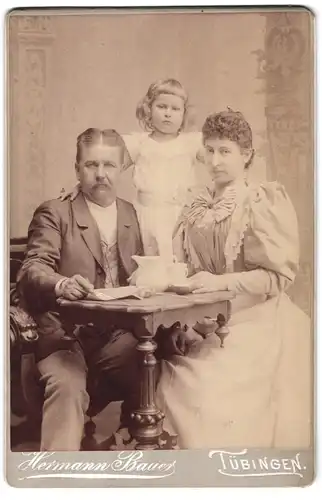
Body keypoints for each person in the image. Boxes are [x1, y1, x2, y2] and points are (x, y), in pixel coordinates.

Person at [155, 109, 312, 449]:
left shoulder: (260, 200)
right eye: (209, 150)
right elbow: (188, 270)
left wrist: (220, 283)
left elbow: (276, 278)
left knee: (209, 391)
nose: (215, 160)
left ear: (247, 155)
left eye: (225, 151)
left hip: (255, 320)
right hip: (203, 320)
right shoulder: (195, 204)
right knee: (169, 372)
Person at [17, 128, 145, 451]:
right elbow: (31, 270)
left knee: (160, 363)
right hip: (63, 337)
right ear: (77, 169)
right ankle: (57, 482)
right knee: (68, 386)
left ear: (121, 169)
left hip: (112, 340)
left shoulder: (131, 214)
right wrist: (61, 283)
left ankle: (130, 450)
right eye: (90, 165)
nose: (100, 175)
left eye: (109, 165)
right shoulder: (55, 212)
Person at [62, 79, 205, 260]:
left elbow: (218, 164)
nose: (168, 114)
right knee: (149, 260)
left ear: (184, 114)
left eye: (175, 109)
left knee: (181, 261)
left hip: (181, 216)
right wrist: (80, 186)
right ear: (148, 110)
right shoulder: (139, 143)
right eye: (162, 107)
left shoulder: (190, 143)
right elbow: (106, 168)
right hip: (148, 214)